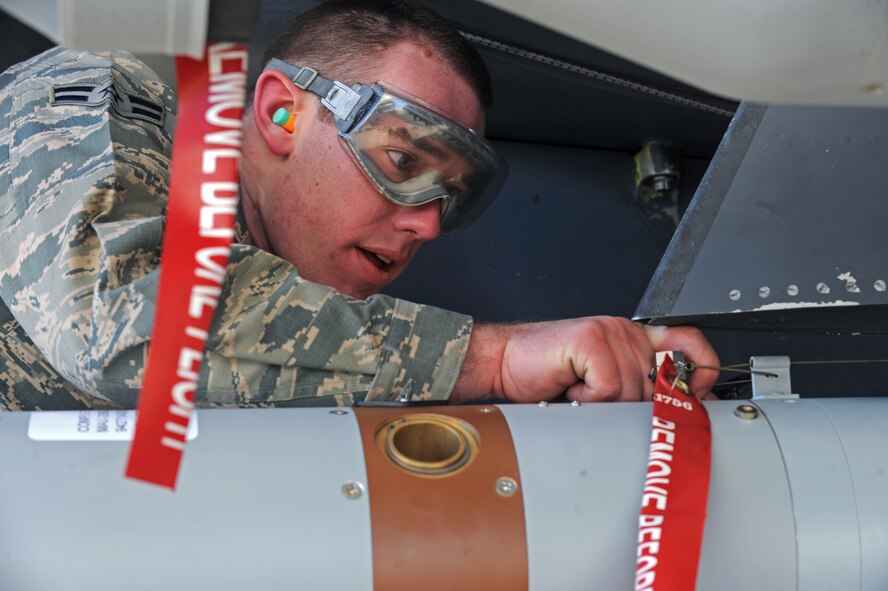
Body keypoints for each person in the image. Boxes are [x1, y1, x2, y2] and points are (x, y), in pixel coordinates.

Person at [0, 0, 718, 411]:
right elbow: (115, 317)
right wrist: (497, 359)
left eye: (450, 197)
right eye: (402, 161)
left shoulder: (291, 334)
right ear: (283, 115)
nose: (426, 223)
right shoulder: (102, 101)